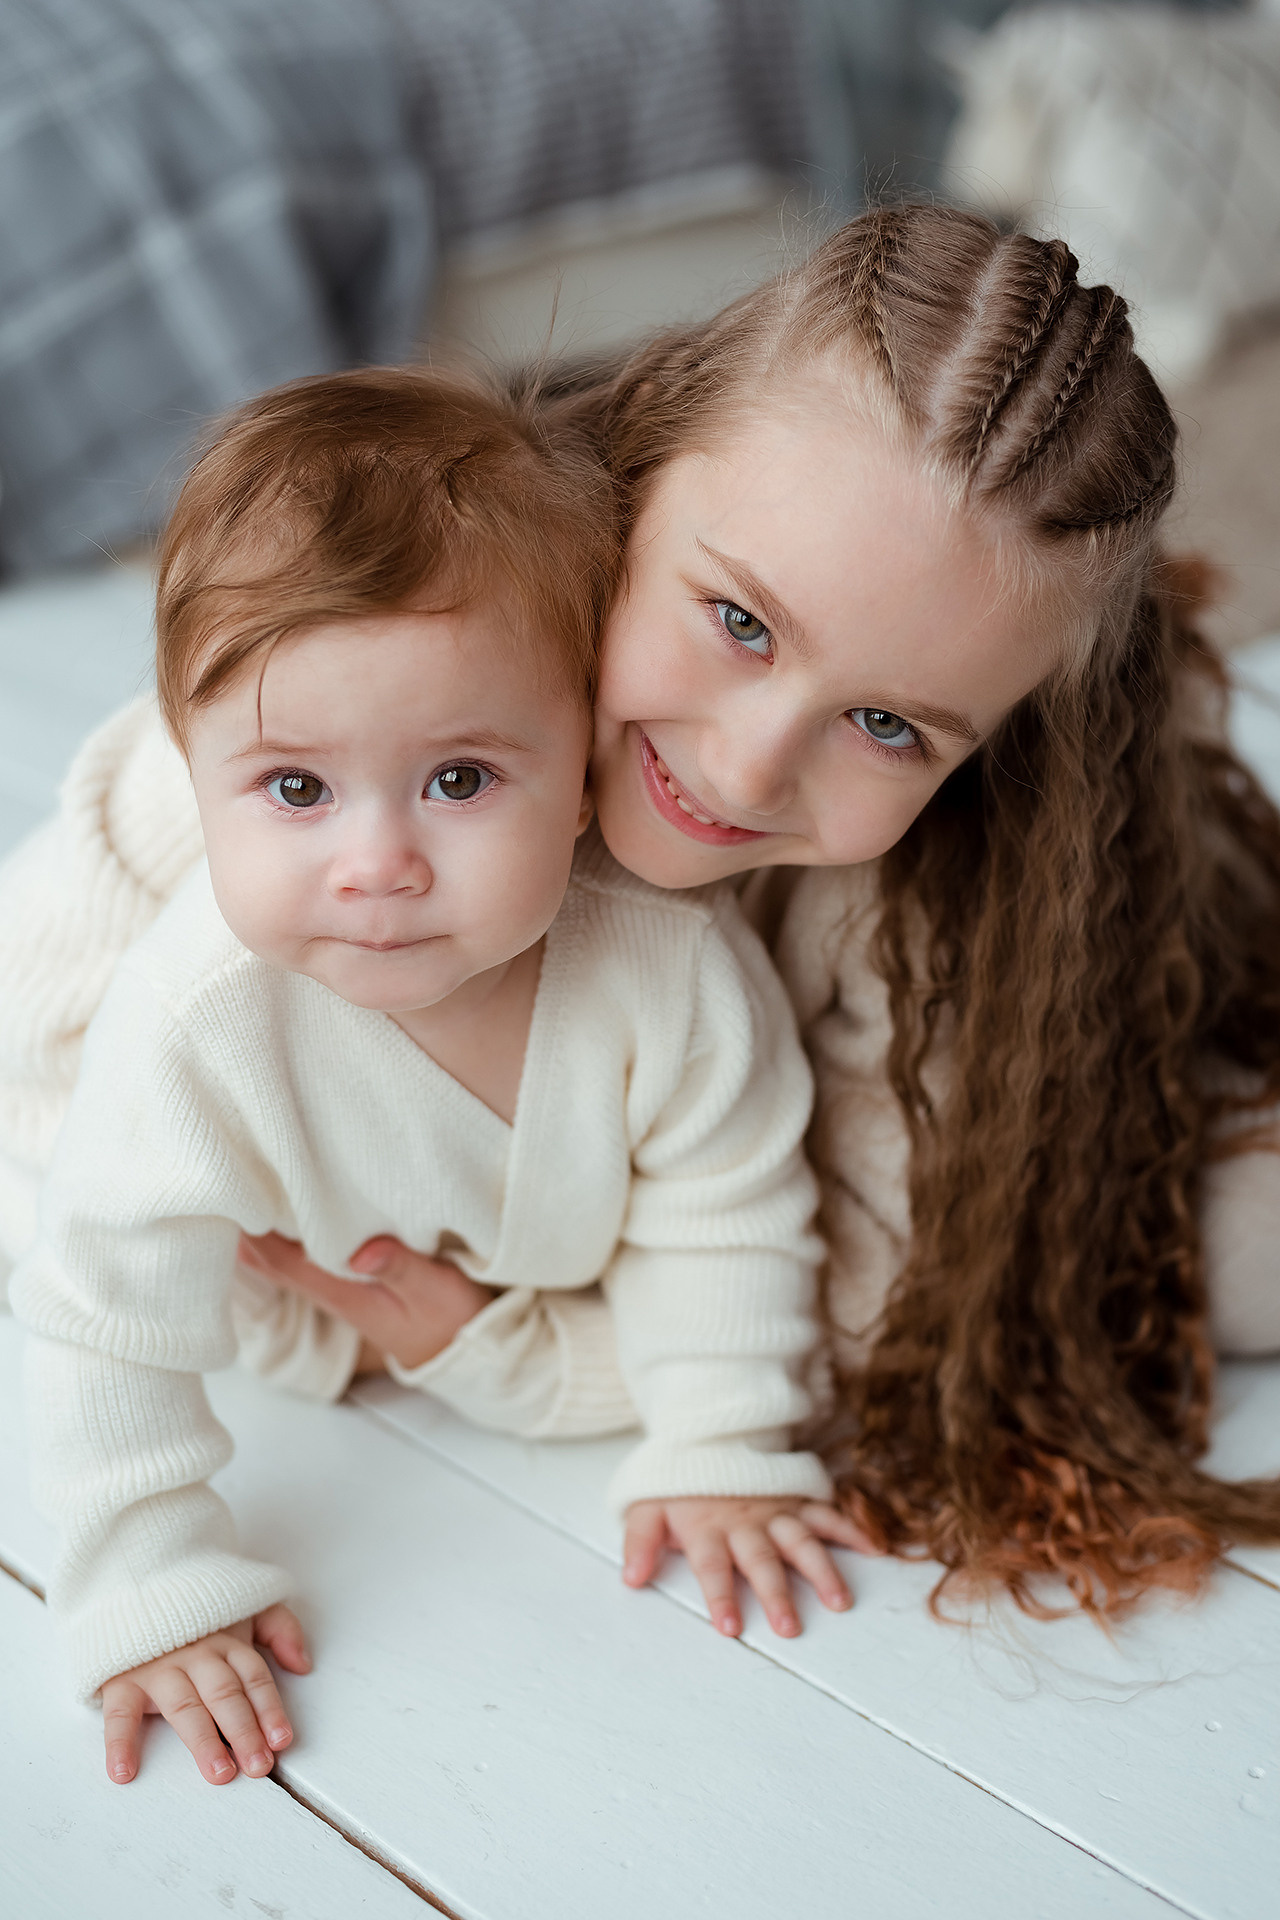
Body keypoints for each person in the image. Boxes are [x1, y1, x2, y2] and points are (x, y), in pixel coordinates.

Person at [3, 204, 1278, 1659]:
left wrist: (481, 1344)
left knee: (1223, 1246)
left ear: (974, 751)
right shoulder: (324, 757)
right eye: (740, 620)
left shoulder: (883, 924)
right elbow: (41, 1099)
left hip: (835, 1091)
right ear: (641, 471)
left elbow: (829, 1314)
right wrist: (280, 1319)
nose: (741, 772)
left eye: (884, 725)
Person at [9, 366, 866, 1788]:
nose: (380, 861)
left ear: (579, 750)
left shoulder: (668, 977)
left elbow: (727, 1211)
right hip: (213, 1266)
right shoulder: (196, 1017)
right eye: (295, 788)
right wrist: (145, 1575)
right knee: (46, 1213)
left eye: (461, 779)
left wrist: (718, 1438)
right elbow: (108, 1314)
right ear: (193, 764)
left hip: (438, 1296)